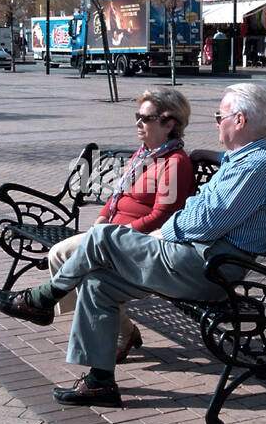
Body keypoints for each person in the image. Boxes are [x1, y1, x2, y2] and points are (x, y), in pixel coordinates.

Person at [0, 83, 266, 407]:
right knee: (98, 284)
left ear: (239, 120)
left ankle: (43, 298)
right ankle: (99, 382)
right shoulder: (246, 158)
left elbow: (207, 222)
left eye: (220, 116)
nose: (217, 122)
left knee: (103, 237)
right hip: (200, 257)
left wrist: (163, 233)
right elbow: (221, 190)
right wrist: (212, 156)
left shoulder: (255, 166)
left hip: (212, 269)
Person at [44, 89, 196, 364]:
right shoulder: (144, 155)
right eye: (137, 116)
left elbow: (163, 216)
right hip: (111, 234)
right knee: (65, 258)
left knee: (65, 257)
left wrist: (116, 236)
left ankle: (50, 305)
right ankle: (118, 329)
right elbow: (118, 196)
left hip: (137, 242)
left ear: (169, 123)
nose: (138, 123)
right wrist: (101, 222)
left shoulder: (175, 163)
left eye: (145, 118)